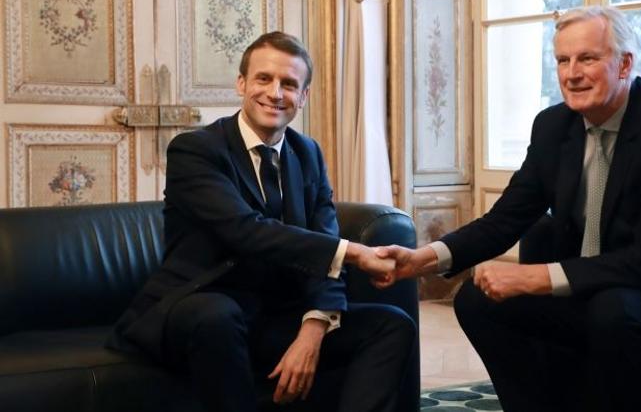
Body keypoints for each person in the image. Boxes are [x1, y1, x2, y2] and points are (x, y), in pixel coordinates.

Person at [377, 5, 641, 412]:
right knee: (476, 300)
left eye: (587, 59)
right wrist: (424, 259)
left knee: (613, 310)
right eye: (562, 60)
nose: (571, 74)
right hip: (587, 288)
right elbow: (505, 219)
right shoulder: (553, 126)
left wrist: (538, 277)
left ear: (624, 63)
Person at [107, 31, 416, 412]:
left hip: (272, 315)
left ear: (303, 97)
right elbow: (246, 230)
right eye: (264, 79)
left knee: (392, 324)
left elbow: (324, 239)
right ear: (242, 84)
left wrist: (314, 327)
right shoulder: (195, 150)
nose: (275, 93)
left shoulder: (307, 153)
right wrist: (355, 252)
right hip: (199, 305)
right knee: (216, 315)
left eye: (289, 84)